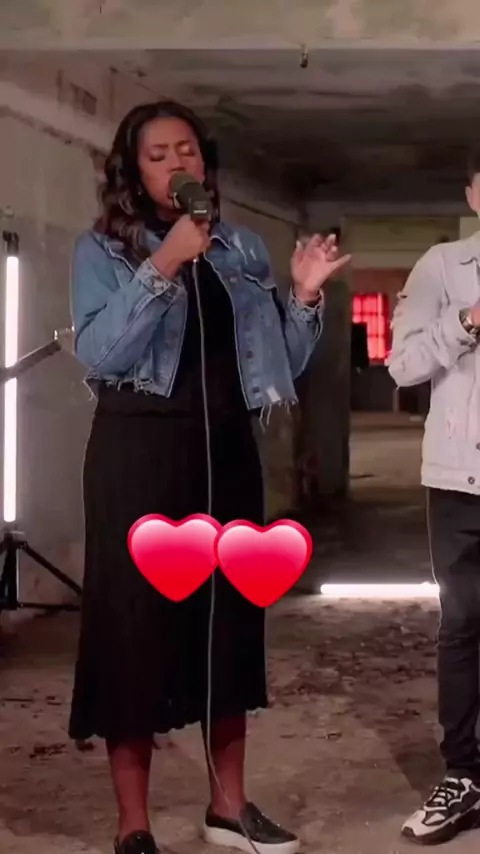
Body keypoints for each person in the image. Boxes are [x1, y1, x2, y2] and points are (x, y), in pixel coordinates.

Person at [69, 99, 350, 854]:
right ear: (133, 171)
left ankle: (229, 806)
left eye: (187, 150)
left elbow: (277, 363)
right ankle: (133, 825)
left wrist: (304, 295)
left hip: (225, 454)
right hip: (137, 455)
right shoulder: (103, 250)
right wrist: (164, 262)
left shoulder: (242, 247)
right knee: (133, 633)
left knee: (226, 630)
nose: (176, 163)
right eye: (158, 154)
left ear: (205, 162)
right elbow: (101, 354)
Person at [388, 148, 480, 846]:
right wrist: (467, 322)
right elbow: (403, 365)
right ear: (474, 195)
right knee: (464, 625)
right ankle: (465, 773)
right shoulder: (442, 267)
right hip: (460, 480)